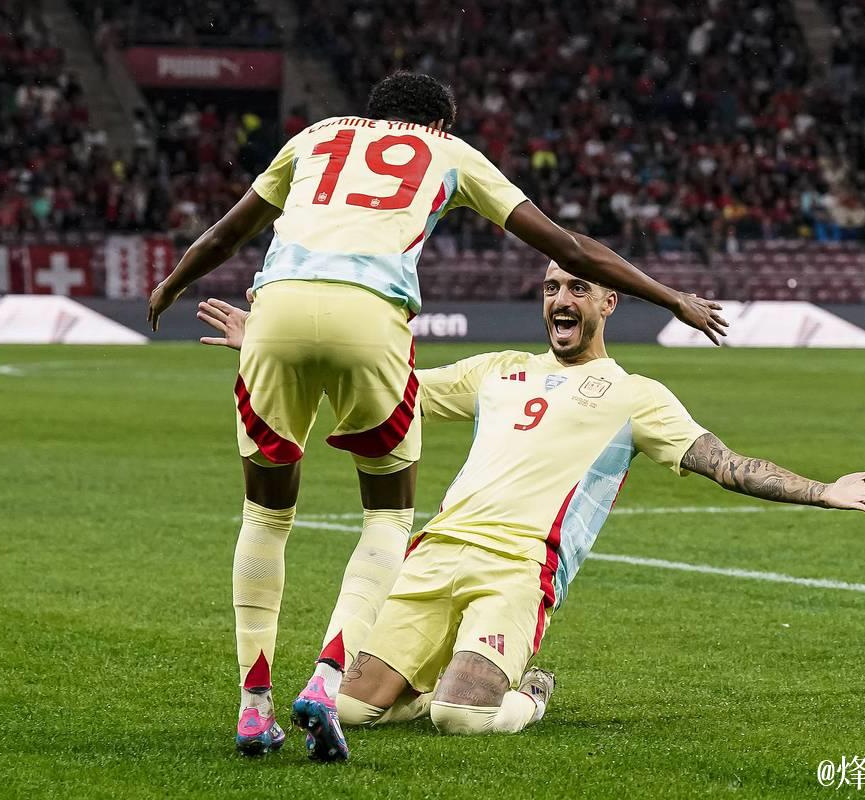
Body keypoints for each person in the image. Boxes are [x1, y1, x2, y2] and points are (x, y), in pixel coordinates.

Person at [148, 71, 728, 762]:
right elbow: (568, 247)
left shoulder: (314, 136)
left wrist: (172, 284)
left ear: (372, 112)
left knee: (266, 515)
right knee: (387, 517)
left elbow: (226, 233)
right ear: (440, 124)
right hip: (370, 314)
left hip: (273, 307)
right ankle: (326, 679)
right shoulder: (450, 153)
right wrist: (672, 299)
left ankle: (253, 709)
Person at [197, 262, 865, 745]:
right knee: (350, 708)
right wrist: (271, 346)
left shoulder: (637, 396)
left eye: (578, 288)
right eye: (552, 287)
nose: (561, 299)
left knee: (461, 719)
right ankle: (429, 680)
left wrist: (823, 491)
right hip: (432, 555)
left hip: (517, 569)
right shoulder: (496, 370)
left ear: (608, 303)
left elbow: (727, 465)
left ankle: (526, 694)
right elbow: (386, 389)